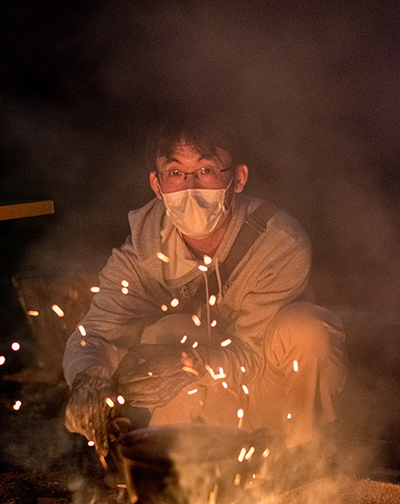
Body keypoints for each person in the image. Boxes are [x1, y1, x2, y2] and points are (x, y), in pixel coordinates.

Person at [63, 116, 346, 465]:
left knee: (307, 329)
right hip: (205, 405)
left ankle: (302, 463)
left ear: (238, 178)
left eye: (207, 170)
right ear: (157, 183)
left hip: (274, 393)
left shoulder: (279, 241)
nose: (190, 186)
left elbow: (251, 356)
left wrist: (193, 366)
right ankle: (178, 472)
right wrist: (88, 380)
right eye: (176, 173)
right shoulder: (144, 249)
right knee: (173, 333)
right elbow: (96, 332)